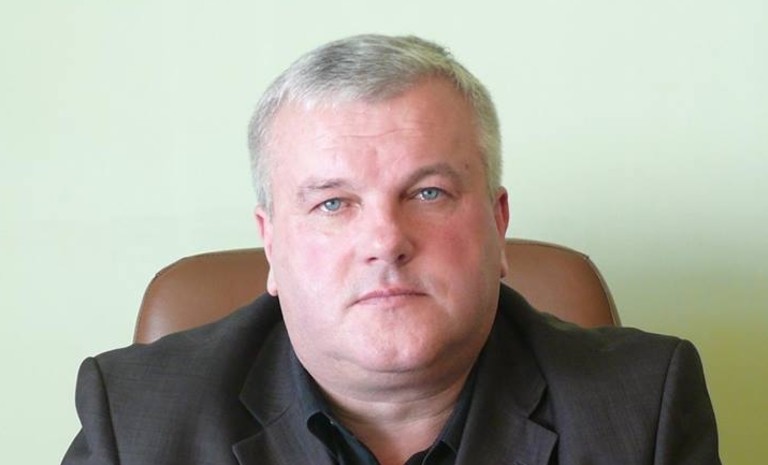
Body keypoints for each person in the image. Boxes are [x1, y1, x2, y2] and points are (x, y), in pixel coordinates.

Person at [62, 34, 720, 465]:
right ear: (272, 244)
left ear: (498, 227)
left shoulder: (640, 410)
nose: (385, 241)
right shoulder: (136, 420)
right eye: (333, 203)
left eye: (429, 193)